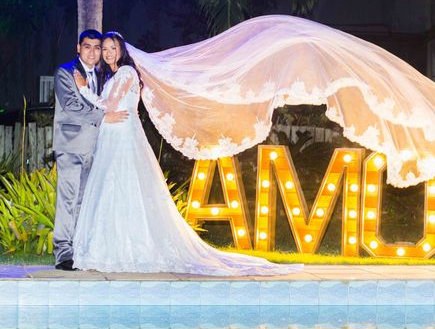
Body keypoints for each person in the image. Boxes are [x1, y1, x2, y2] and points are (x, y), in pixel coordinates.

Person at [71, 31, 300, 276]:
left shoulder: (126, 73)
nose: (107, 53)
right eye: (104, 49)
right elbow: (108, 109)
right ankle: (108, 248)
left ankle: (128, 250)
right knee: (111, 192)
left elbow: (111, 106)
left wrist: (83, 89)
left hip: (123, 140)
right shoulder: (113, 76)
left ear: (121, 51)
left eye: (111, 48)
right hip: (112, 138)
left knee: (123, 189)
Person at [52, 30, 127, 271]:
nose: (93, 52)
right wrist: (106, 116)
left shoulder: (104, 75)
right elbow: (72, 106)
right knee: (68, 199)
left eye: (98, 47)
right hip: (71, 146)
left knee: (85, 201)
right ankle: (63, 252)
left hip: (97, 149)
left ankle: (79, 249)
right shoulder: (65, 72)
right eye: (88, 47)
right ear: (78, 48)